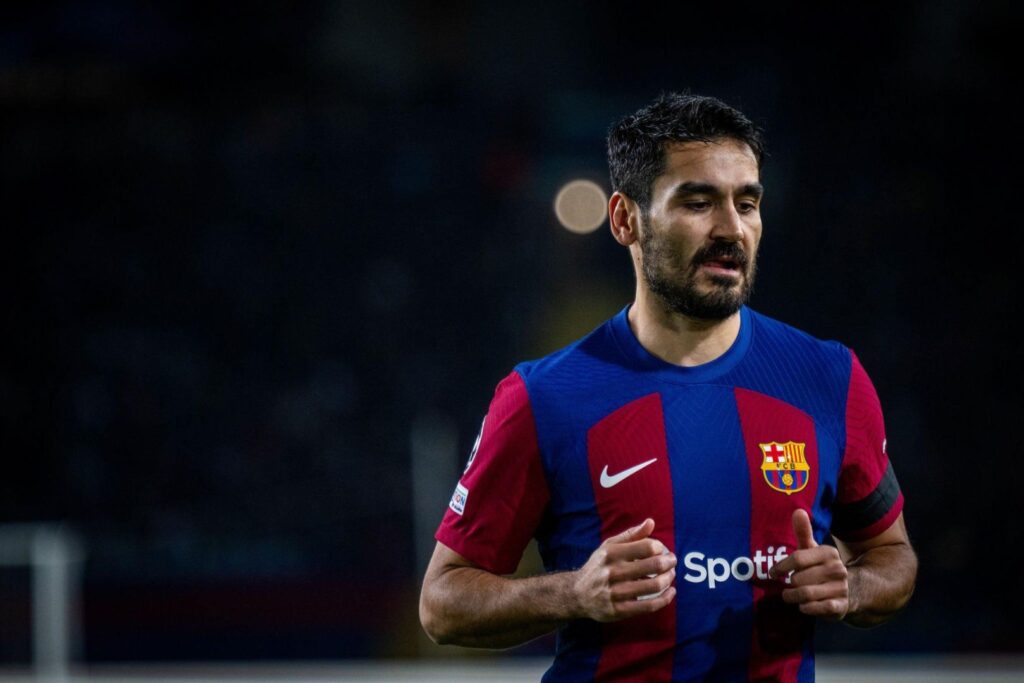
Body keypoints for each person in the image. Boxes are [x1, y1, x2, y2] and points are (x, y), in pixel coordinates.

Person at [419, 92, 917, 682]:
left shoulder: (828, 379)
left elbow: (893, 557)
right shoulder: (544, 396)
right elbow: (443, 603)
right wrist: (574, 593)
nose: (732, 228)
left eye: (748, 203)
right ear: (625, 219)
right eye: (699, 202)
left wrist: (853, 587)